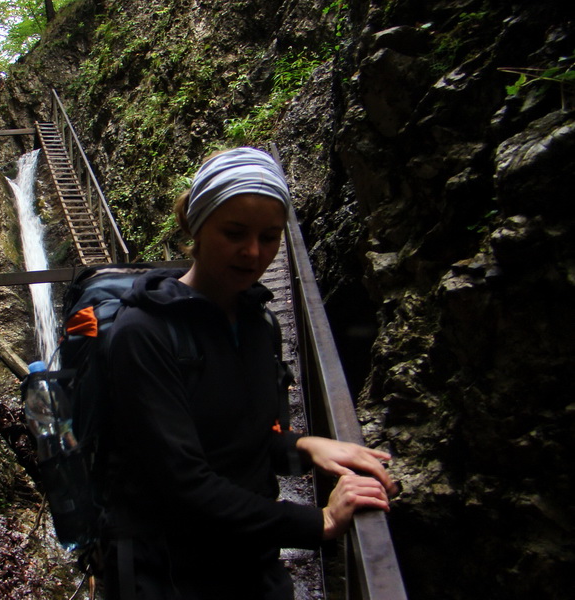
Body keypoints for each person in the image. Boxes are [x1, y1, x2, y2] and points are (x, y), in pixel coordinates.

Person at [99, 147, 397, 600]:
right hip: (167, 574)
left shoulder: (259, 321)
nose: (254, 252)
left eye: (270, 236)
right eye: (234, 232)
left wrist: (303, 445)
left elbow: (240, 440)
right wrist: (317, 521)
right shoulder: (143, 333)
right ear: (196, 228)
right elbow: (182, 482)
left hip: (250, 560)